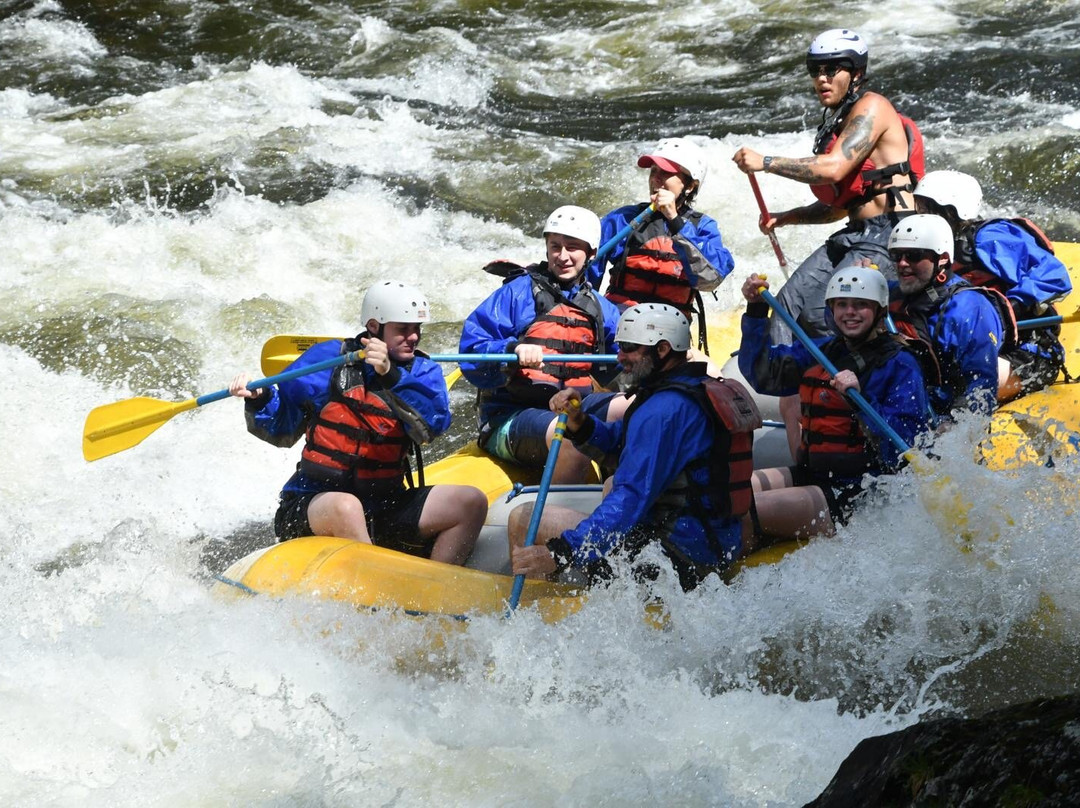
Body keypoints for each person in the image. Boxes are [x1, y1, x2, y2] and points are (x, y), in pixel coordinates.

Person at [229, 281, 486, 566]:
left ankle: (438, 589)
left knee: (471, 502)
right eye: (402, 329)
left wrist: (392, 377)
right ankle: (378, 592)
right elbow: (282, 429)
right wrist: (260, 399)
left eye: (417, 329)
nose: (413, 337)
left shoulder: (422, 372)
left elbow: (432, 426)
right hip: (314, 502)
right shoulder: (328, 360)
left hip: (384, 504)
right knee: (347, 506)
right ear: (374, 327)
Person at [508, 303, 761, 592]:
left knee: (523, 518)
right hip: (713, 546)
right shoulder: (692, 390)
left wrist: (561, 552)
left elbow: (630, 497)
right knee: (611, 487)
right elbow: (624, 441)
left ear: (662, 349)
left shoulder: (664, 410)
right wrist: (581, 423)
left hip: (675, 560)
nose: (620, 357)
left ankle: (534, 615)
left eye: (629, 348)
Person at [732, 28, 925, 344]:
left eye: (832, 69)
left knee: (825, 314)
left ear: (856, 72)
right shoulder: (838, 117)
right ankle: (791, 386)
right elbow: (842, 205)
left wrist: (765, 162)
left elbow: (834, 169)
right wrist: (788, 217)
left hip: (890, 234)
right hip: (855, 233)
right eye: (815, 71)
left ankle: (847, 383)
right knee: (787, 309)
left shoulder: (872, 106)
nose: (821, 79)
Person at [738, 268, 932, 545]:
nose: (849, 312)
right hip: (813, 473)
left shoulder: (900, 364)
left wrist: (861, 400)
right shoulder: (822, 351)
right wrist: (756, 312)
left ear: (879, 310)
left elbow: (905, 445)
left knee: (744, 511)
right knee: (726, 496)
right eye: (842, 304)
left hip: (860, 489)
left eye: (860, 305)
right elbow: (763, 375)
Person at [459, 205, 623, 484]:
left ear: (592, 253)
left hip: (574, 408)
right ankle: (559, 522)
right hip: (509, 417)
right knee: (568, 438)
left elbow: (623, 363)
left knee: (635, 408)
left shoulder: (601, 309)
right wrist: (510, 351)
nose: (562, 256)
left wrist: (657, 358)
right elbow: (471, 351)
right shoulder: (517, 293)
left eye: (572, 247)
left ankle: (623, 493)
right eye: (555, 246)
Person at [913, 170, 1072, 400]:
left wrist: (1009, 309)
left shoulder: (988, 238)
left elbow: (1054, 276)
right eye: (919, 207)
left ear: (953, 210)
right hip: (968, 351)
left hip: (1025, 353)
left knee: (958, 391)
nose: (921, 216)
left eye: (928, 208)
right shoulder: (927, 250)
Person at [593, 137, 734, 351]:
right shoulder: (623, 219)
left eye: (666, 173)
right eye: (653, 171)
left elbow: (711, 279)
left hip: (670, 334)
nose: (656, 179)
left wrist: (674, 220)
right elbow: (585, 280)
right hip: (620, 327)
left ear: (690, 186)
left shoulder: (703, 227)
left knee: (709, 374)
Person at [886, 214, 1004, 417]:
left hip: (944, 407)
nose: (902, 263)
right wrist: (860, 287)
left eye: (914, 255)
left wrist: (956, 424)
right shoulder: (892, 293)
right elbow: (838, 320)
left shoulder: (968, 309)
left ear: (943, 260)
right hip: (905, 399)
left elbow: (981, 383)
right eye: (897, 255)